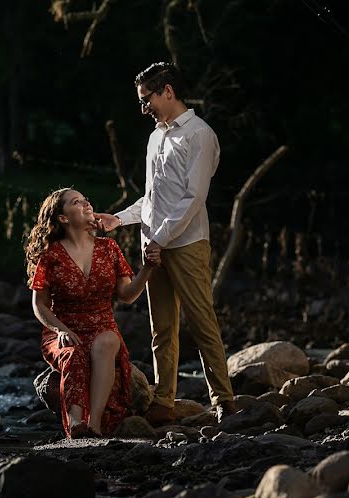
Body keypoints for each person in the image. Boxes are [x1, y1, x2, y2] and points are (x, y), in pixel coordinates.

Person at [95, 62, 236, 424]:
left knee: (202, 322)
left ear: (168, 91)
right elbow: (152, 198)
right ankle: (164, 402)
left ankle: (224, 402)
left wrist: (159, 238)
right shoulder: (155, 137)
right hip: (153, 245)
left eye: (147, 99)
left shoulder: (199, 134)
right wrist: (119, 219)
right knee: (162, 328)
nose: (144, 108)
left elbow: (193, 197)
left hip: (186, 243)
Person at [26, 187, 157, 438]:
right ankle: (76, 427)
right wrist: (60, 330)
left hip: (101, 325)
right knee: (73, 353)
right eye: (76, 202)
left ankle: (94, 426)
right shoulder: (50, 255)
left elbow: (127, 295)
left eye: (86, 200)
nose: (86, 204)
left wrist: (147, 269)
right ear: (63, 218)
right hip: (64, 329)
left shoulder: (109, 248)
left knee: (108, 340)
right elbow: (39, 305)